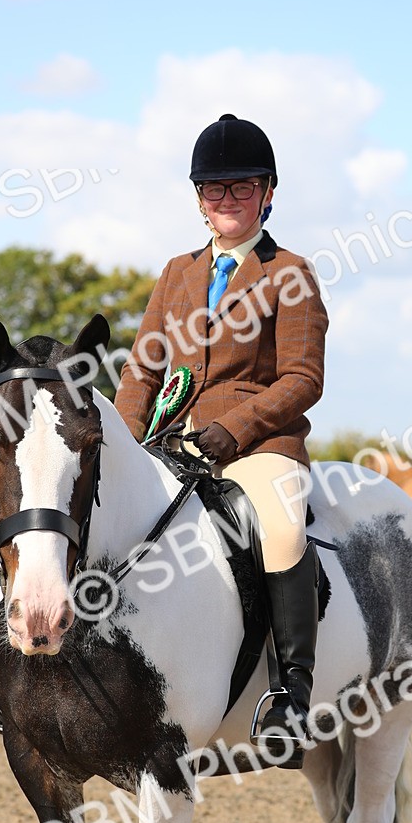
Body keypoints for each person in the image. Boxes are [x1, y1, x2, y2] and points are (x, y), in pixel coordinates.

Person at [114, 113, 328, 766]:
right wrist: (121, 450)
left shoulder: (289, 272)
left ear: (268, 193)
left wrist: (227, 433)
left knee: (283, 529)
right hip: (170, 442)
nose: (226, 199)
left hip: (259, 445)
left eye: (241, 187)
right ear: (198, 198)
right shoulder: (177, 272)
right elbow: (143, 369)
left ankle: (291, 696)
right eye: (214, 189)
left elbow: (302, 378)